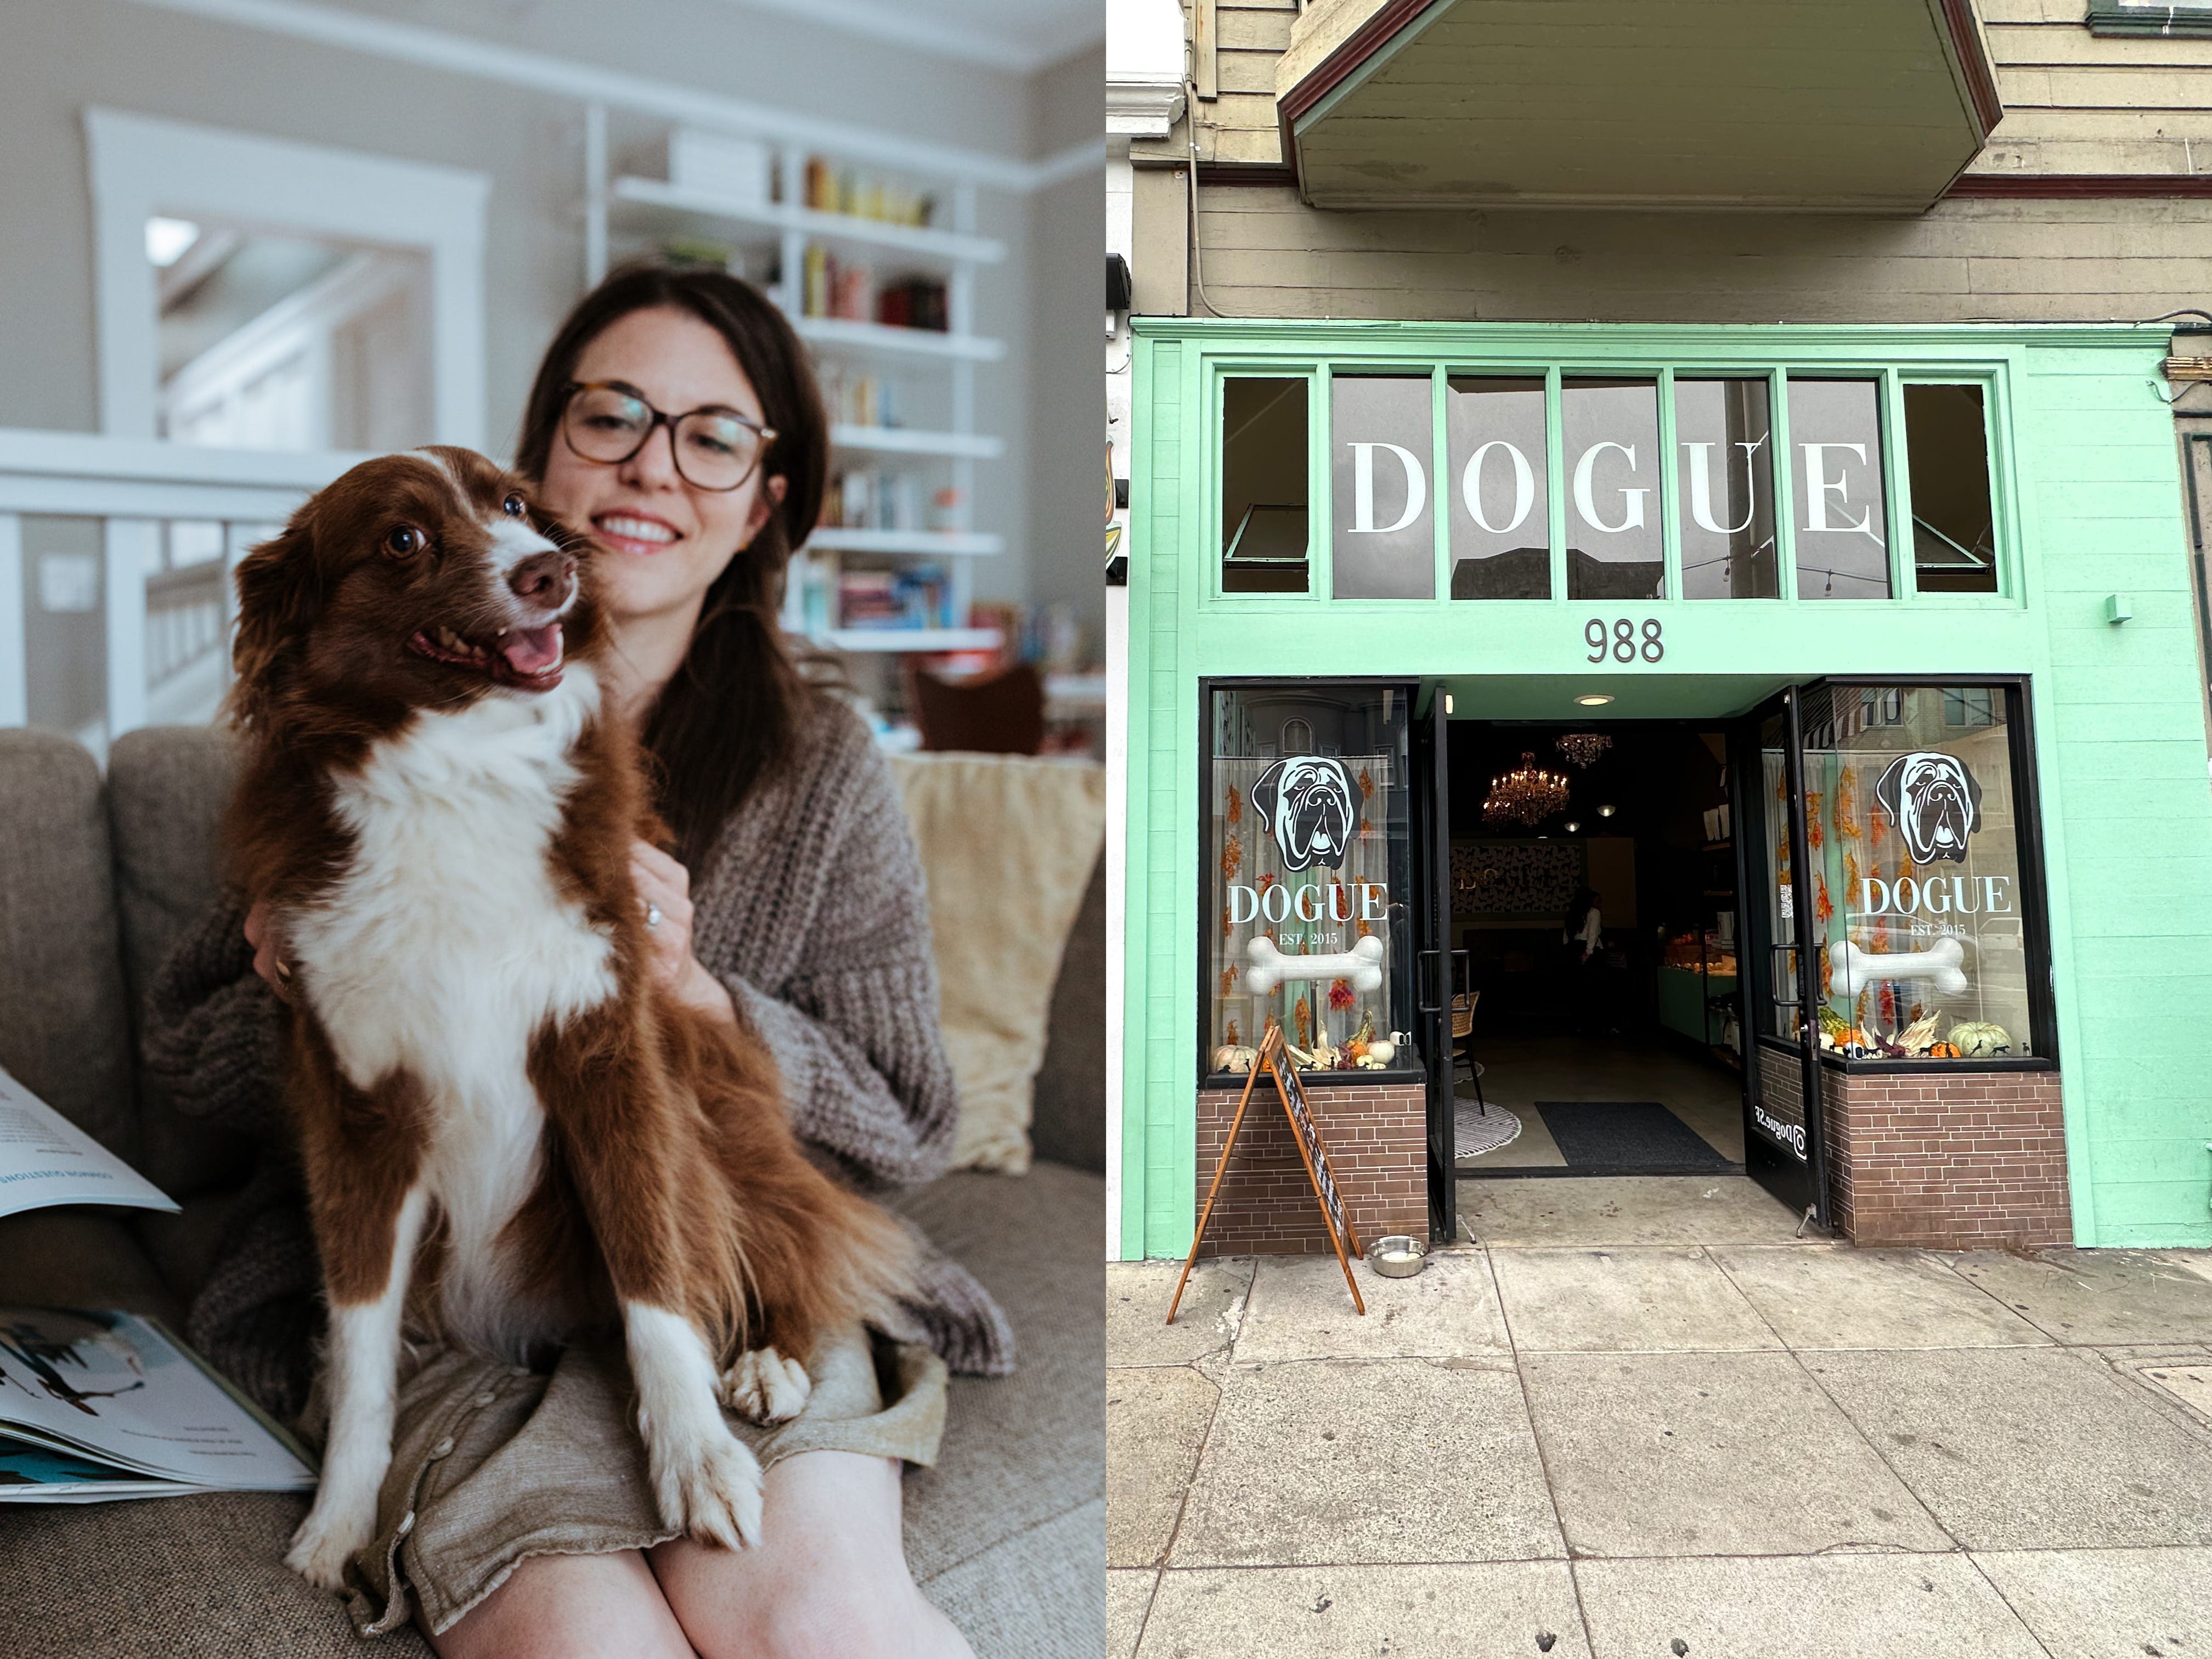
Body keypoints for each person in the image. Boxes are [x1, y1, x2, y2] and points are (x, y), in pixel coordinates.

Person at [141, 265, 999, 1659]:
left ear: (765, 499)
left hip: (708, 1265)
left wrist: (692, 993)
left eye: (715, 436)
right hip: (449, 1303)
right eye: (612, 417)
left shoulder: (823, 763)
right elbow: (185, 1056)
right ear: (539, 457)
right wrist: (313, 983)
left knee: (822, 1617)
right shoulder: (356, 724)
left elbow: (911, 1116)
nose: (654, 465)